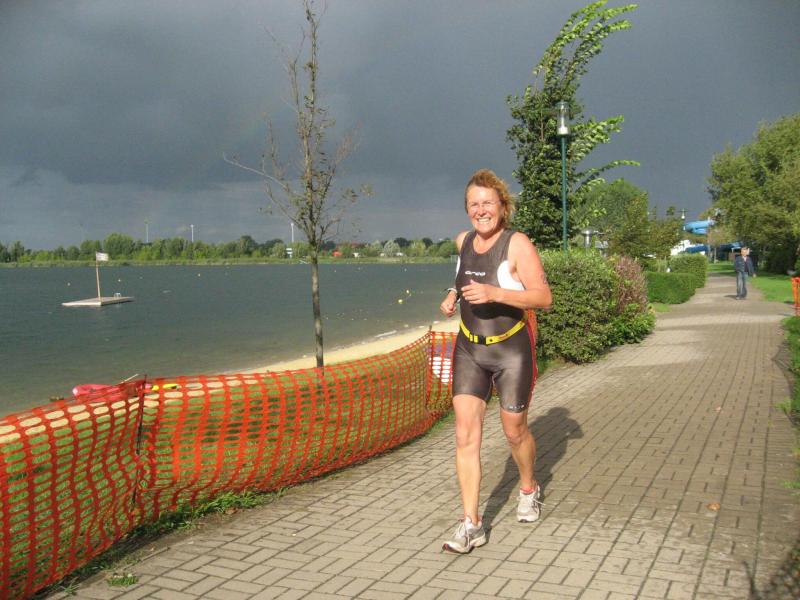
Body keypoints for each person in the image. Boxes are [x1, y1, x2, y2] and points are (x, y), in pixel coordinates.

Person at [438, 169, 552, 554]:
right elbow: (462, 276)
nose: (481, 210)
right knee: (464, 434)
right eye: (474, 204)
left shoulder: (517, 244)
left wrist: (495, 293)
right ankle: (471, 523)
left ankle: (528, 488)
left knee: (514, 431)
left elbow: (543, 297)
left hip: (510, 350)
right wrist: (453, 295)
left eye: (488, 202)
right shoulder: (463, 241)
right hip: (469, 349)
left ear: (503, 206)